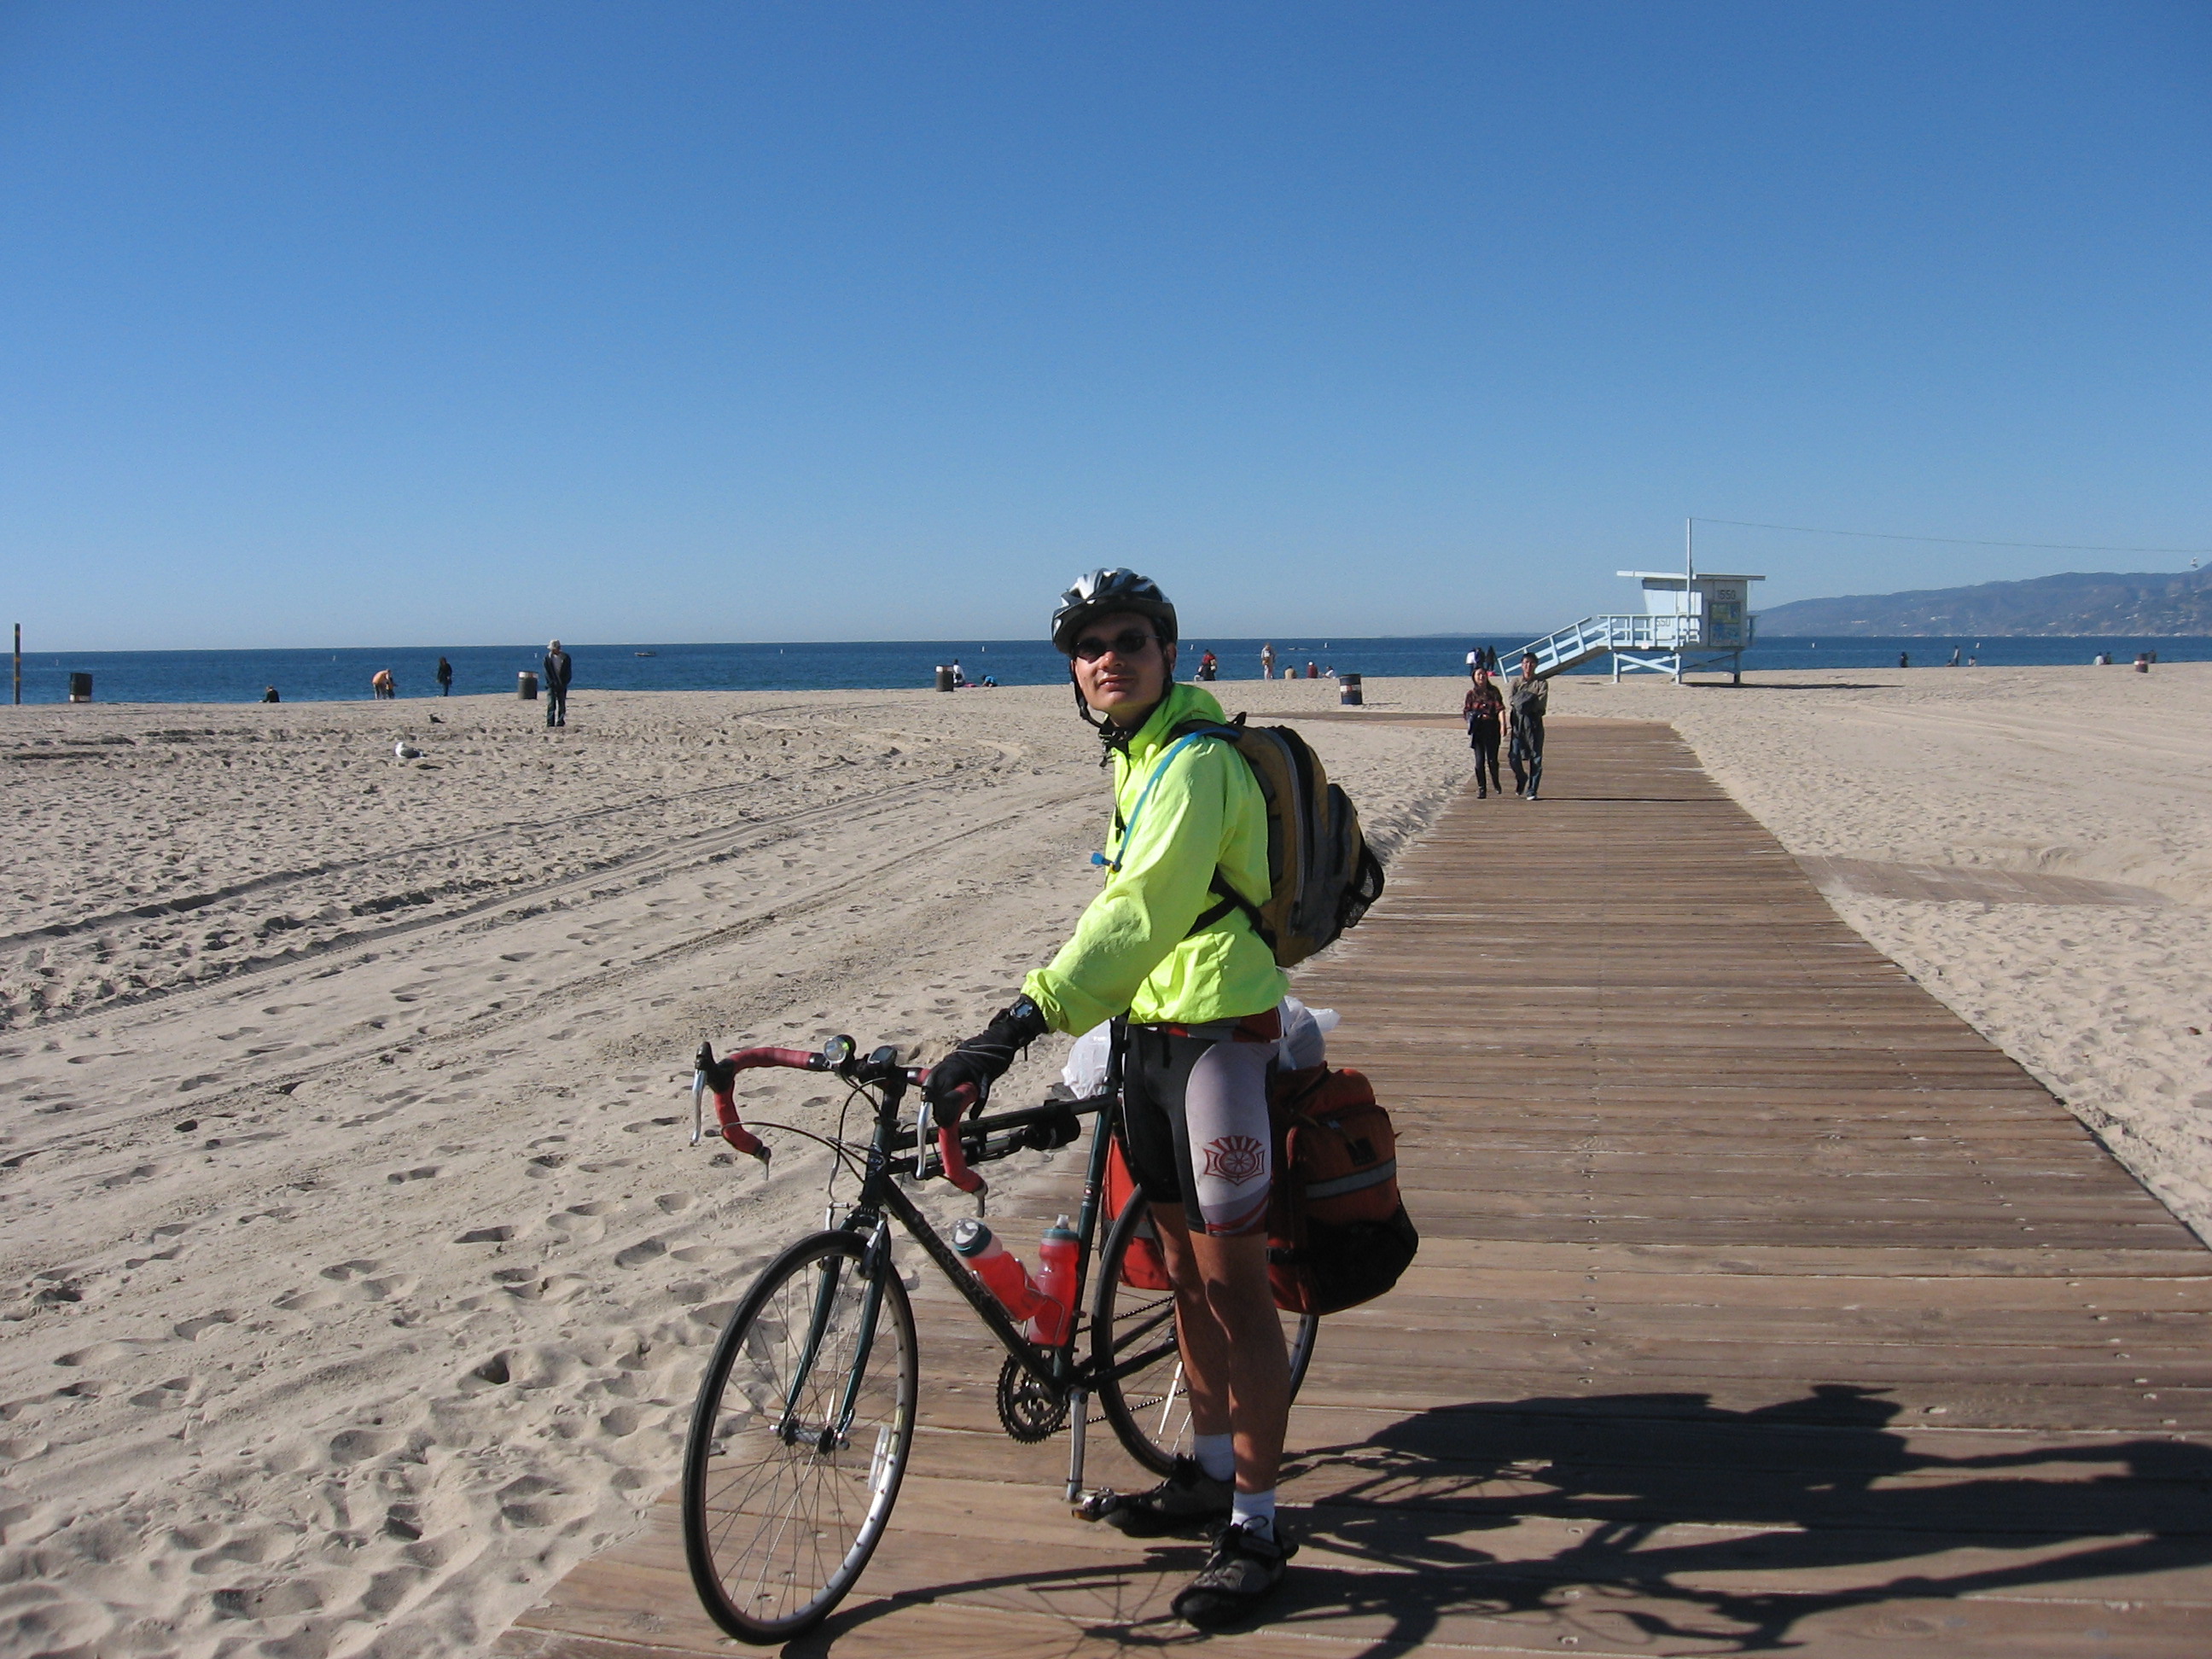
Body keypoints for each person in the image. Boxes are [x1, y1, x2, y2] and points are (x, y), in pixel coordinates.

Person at [923, 569, 1296, 1627]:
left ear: (1169, 653)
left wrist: (1017, 1022)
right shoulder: (1138, 756)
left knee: (1234, 1287)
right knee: (1180, 1275)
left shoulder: (1195, 762)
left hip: (1218, 1039)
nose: (1109, 660)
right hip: (1149, 1036)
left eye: (1130, 640)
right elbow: (1131, 926)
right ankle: (1211, 1471)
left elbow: (1139, 913)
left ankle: (1259, 1523)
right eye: (1090, 649)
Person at [1505, 651, 1547, 801]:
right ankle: (1521, 777)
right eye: (1525, 663)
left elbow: (1540, 703)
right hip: (1518, 723)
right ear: (1521, 665)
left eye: (1531, 663)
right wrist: (1527, 700)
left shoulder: (1541, 683)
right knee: (1514, 756)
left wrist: (1523, 701)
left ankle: (1532, 789)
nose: (1528, 666)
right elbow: (1511, 700)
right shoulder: (1516, 682)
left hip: (1534, 723)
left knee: (1536, 757)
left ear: (1536, 665)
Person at [1462, 666, 1504, 799]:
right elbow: (1466, 712)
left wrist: (1503, 725)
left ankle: (1496, 782)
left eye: (1483, 674)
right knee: (1479, 762)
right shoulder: (1471, 694)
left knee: (1492, 760)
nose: (1481, 677)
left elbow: (1500, 709)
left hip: (1492, 728)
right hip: (1478, 730)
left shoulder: (1494, 692)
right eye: (1478, 674)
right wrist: (1476, 717)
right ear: (1474, 677)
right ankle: (1482, 788)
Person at [543, 639, 572, 728]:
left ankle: (560, 721)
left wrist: (565, 682)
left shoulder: (565, 658)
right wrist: (551, 683)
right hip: (551, 685)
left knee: (561, 704)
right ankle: (550, 722)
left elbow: (568, 672)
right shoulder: (547, 658)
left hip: (562, 684)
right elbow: (547, 673)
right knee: (551, 704)